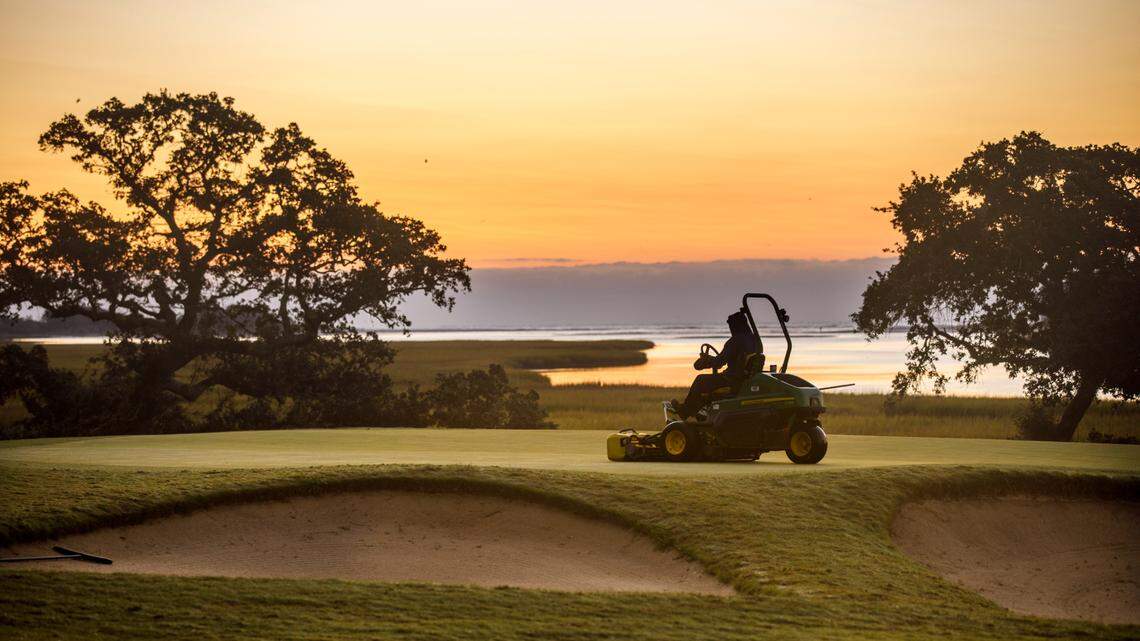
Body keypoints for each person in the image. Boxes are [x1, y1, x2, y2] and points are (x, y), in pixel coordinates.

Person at [670, 311, 759, 419]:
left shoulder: (735, 341)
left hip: (731, 380)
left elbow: (719, 362)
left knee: (700, 380)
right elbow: (723, 359)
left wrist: (706, 360)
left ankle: (685, 411)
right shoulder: (754, 340)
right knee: (708, 385)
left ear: (735, 325)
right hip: (744, 379)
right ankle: (701, 413)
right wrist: (712, 360)